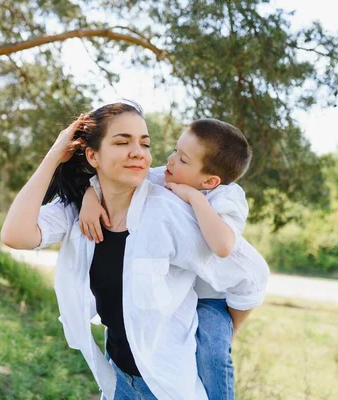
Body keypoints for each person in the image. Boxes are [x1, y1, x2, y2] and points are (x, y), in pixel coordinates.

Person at [0, 102, 269, 399]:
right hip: (117, 381)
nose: (138, 152)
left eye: (145, 143)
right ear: (93, 155)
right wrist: (55, 155)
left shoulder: (170, 211)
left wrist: (222, 336)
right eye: (122, 141)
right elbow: (16, 234)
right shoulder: (79, 207)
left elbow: (250, 276)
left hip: (166, 385)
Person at [79, 118, 256, 399]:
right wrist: (91, 195)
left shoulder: (227, 196)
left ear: (209, 181)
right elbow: (119, 181)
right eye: (175, 150)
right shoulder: (168, 175)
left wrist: (194, 197)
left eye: (183, 159)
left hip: (212, 298)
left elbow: (222, 246)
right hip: (177, 293)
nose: (171, 160)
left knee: (213, 354)